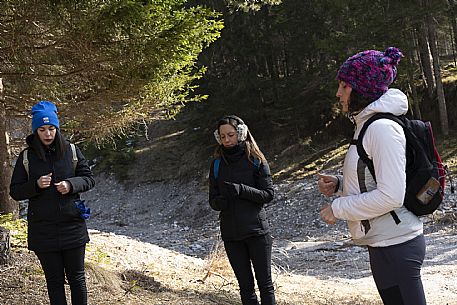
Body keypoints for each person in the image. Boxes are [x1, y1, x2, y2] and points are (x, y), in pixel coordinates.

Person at [317, 47, 426, 305]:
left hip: (399, 242)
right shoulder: (366, 125)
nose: (338, 93)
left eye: (344, 86)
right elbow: (374, 175)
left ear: (361, 90)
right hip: (382, 241)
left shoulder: (381, 129)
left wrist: (339, 207)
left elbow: (391, 195)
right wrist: (342, 184)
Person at [10, 100, 95, 305]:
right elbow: (15, 191)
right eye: (42, 129)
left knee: (77, 279)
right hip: (43, 230)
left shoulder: (71, 151)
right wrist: (36, 185)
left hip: (72, 226)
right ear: (35, 131)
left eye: (51, 128)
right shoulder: (26, 157)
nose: (48, 134)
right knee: (54, 282)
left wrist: (71, 184)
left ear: (57, 128)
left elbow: (89, 179)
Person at [209, 115, 276, 305]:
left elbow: (268, 194)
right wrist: (221, 201)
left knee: (265, 285)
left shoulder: (256, 160)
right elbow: (212, 201)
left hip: (257, 232)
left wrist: (241, 190)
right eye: (222, 137)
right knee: (245, 287)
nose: (227, 140)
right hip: (231, 235)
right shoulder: (216, 164)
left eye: (230, 135)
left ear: (241, 134)